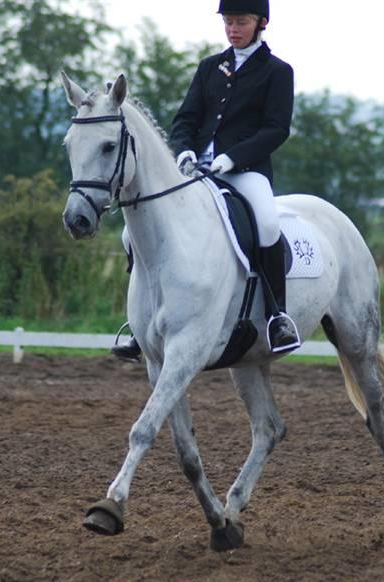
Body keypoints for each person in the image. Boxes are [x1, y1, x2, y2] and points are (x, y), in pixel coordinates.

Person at [112, 0, 298, 362]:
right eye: (228, 22)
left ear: (261, 23)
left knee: (267, 223)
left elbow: (276, 129)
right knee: (128, 233)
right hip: (195, 171)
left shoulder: (277, 71)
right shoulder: (210, 67)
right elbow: (185, 119)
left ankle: (277, 316)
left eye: (240, 21)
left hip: (244, 172)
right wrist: (183, 151)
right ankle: (139, 325)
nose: (232, 28)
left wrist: (233, 157)